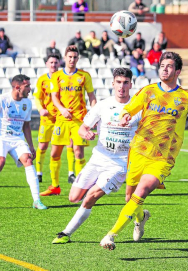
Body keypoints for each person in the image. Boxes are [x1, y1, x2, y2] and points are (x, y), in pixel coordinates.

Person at [99, 52, 188, 250]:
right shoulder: (148, 91)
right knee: (130, 198)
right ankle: (141, 217)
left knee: (143, 190)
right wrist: (125, 116)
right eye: (162, 65)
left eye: (169, 66)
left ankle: (110, 235)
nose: (164, 68)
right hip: (138, 150)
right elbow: (129, 108)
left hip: (163, 157)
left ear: (177, 71)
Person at [51, 68, 142, 244]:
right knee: (73, 197)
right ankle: (140, 215)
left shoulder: (138, 107)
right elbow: (82, 128)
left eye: (125, 82)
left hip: (120, 163)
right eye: (118, 82)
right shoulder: (102, 105)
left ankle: (65, 233)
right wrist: (86, 134)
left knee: (91, 196)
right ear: (112, 83)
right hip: (98, 158)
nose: (121, 87)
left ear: (131, 84)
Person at [0, 74, 47, 211]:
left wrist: (30, 145)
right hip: (1, 138)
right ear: (17, 87)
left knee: (28, 160)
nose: (30, 89)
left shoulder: (27, 103)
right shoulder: (1, 100)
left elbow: (26, 125)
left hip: (17, 138)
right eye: (27, 86)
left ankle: (37, 200)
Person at [40, 46, 97, 196]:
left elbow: (92, 97)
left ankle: (81, 187)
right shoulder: (56, 76)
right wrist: (62, 109)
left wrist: (94, 115)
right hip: (61, 120)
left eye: (75, 57)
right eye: (70, 57)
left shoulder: (85, 76)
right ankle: (55, 186)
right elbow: (54, 97)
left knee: (78, 153)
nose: (72, 60)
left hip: (80, 120)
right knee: (54, 154)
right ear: (65, 58)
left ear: (78, 59)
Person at [33, 54, 76, 184]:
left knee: (70, 143)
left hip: (62, 119)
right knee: (43, 145)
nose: (53, 65)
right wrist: (41, 109)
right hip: (47, 119)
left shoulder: (64, 78)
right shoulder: (42, 80)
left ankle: (71, 173)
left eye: (55, 63)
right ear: (47, 64)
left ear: (59, 64)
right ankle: (39, 173)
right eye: (51, 62)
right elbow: (37, 97)